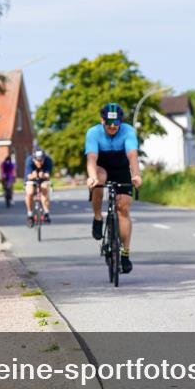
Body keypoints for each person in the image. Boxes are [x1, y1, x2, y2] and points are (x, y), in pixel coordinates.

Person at [85, 102, 142, 273]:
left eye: (116, 123)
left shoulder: (128, 131)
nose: (112, 126)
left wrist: (136, 175)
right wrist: (92, 177)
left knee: (123, 207)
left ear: (120, 122)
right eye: (108, 122)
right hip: (101, 166)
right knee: (99, 179)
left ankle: (125, 253)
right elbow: (92, 159)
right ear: (102, 121)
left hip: (121, 167)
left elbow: (132, 155)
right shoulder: (93, 133)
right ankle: (97, 218)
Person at [24, 148, 53, 226]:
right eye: (38, 160)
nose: (39, 162)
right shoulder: (29, 160)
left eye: (41, 160)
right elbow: (28, 175)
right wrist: (33, 175)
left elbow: (48, 175)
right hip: (31, 178)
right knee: (29, 192)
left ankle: (46, 212)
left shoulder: (48, 161)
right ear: (33, 159)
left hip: (43, 178)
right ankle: (30, 214)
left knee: (44, 188)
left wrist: (43, 175)